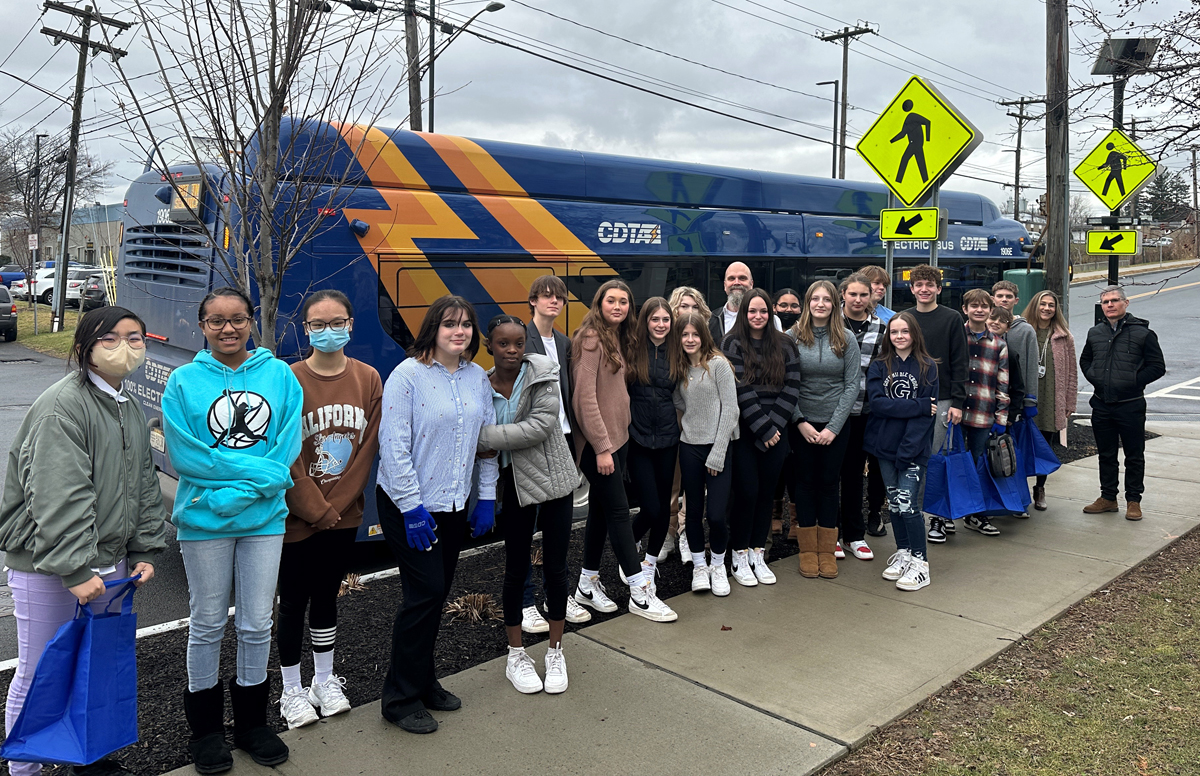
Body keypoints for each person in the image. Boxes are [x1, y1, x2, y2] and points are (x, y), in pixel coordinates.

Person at [0, 307, 167, 776]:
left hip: (108, 562)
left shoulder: (127, 405)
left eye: (135, 337)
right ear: (85, 347)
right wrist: (76, 569)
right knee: (39, 672)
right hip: (49, 566)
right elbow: (57, 494)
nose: (125, 347)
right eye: (111, 337)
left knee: (94, 666)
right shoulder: (62, 406)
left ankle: (88, 759)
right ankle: (24, 769)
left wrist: (144, 549)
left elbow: (141, 486)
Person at [162, 287, 303, 772]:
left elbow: (285, 451)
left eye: (238, 319)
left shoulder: (280, 375)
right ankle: (204, 732)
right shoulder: (182, 382)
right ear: (201, 325)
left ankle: (251, 725)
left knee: (256, 623)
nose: (228, 328)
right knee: (205, 624)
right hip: (204, 524)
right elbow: (186, 456)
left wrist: (233, 495)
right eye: (217, 320)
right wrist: (251, 481)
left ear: (251, 322)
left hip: (263, 521)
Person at [376, 295, 499, 734]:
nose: (459, 332)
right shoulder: (407, 376)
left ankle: (425, 682)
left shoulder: (476, 380)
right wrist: (411, 507)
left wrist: (486, 497)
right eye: (450, 324)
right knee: (425, 592)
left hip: (452, 505)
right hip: (408, 505)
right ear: (433, 328)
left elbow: (484, 442)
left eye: (466, 325)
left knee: (437, 593)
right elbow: (392, 445)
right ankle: (399, 698)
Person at [276, 290, 382, 729]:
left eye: (336, 322)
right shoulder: (288, 378)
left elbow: (366, 451)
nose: (327, 331)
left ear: (351, 324)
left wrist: (333, 509)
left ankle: (323, 680)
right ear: (306, 329)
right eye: (317, 325)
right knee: (292, 601)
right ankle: (290, 690)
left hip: (343, 516)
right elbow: (284, 450)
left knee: (326, 597)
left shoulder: (369, 378)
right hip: (296, 516)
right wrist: (313, 507)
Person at [477, 315, 580, 696]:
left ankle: (555, 650)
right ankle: (515, 653)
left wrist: (480, 437)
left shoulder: (543, 374)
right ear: (490, 344)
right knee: (515, 568)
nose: (512, 351)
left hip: (554, 481)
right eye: (503, 343)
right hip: (515, 486)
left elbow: (540, 426)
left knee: (555, 567)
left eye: (519, 343)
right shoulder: (480, 385)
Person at [571, 280, 677, 622]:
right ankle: (639, 593)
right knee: (618, 513)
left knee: (601, 515)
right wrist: (601, 448)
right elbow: (583, 398)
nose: (617, 307)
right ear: (599, 303)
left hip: (618, 441)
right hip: (599, 445)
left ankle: (587, 585)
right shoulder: (590, 339)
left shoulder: (615, 336)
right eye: (611, 301)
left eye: (623, 302)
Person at [522, 275, 592, 630]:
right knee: (522, 530)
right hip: (532, 445)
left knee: (559, 529)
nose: (553, 301)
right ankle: (524, 603)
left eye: (559, 297)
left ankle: (556, 595)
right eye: (546, 296)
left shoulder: (565, 343)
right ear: (532, 300)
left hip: (563, 443)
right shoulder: (522, 340)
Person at [722, 288, 801, 587]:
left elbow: (792, 386)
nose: (758, 316)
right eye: (752, 311)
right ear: (744, 314)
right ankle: (739, 553)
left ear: (771, 314)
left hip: (778, 431)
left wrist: (775, 427)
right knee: (746, 494)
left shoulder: (786, 345)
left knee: (767, 495)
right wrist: (763, 429)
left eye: (763, 311)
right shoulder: (731, 342)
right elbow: (738, 388)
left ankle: (757, 552)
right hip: (745, 432)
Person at [788, 280, 861, 579]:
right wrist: (800, 420)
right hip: (801, 423)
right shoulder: (791, 337)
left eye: (826, 299)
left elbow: (851, 384)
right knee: (804, 484)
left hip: (836, 424)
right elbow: (785, 382)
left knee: (830, 484)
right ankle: (807, 550)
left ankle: (827, 551)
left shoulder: (846, 338)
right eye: (815, 299)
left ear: (835, 304)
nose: (820, 304)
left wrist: (833, 426)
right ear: (807, 303)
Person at [864, 312, 939, 592]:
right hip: (884, 448)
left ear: (914, 334)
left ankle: (921, 563)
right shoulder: (879, 366)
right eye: (894, 332)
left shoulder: (928, 366)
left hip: (913, 450)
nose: (899, 336)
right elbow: (879, 404)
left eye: (904, 331)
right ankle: (904, 552)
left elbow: (925, 419)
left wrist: (907, 450)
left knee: (909, 505)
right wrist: (918, 405)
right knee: (894, 504)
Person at [1079, 285, 1165, 521]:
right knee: (1106, 454)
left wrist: (1133, 381)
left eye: (1115, 300)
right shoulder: (1095, 332)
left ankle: (1134, 501)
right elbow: (1085, 360)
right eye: (1105, 301)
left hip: (1130, 404)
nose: (1110, 305)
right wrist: (1095, 377)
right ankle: (1108, 498)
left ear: (1126, 304)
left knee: (1134, 455)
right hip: (1102, 404)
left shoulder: (1143, 334)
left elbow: (1158, 367)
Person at [673, 311, 740, 596]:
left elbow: (731, 409)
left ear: (704, 336)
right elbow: (678, 403)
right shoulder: (678, 369)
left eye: (695, 334)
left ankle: (717, 565)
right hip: (689, 447)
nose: (690, 339)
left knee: (715, 514)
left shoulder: (718, 365)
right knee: (693, 513)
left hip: (718, 449)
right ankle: (699, 565)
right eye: (685, 335)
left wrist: (718, 451)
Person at [626, 297, 686, 584]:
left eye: (665, 320)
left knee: (663, 506)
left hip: (668, 438)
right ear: (645, 321)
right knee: (649, 506)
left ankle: (649, 564)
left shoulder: (678, 352)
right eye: (655, 319)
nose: (661, 325)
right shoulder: (632, 349)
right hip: (637, 437)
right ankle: (628, 548)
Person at [907, 265, 968, 544]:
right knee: (912, 460)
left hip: (942, 400)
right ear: (912, 289)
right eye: (919, 284)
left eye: (929, 285)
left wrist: (957, 402)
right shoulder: (904, 318)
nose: (924, 289)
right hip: (909, 400)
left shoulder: (952, 318)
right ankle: (914, 513)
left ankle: (938, 518)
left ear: (939, 289)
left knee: (936, 460)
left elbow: (960, 362)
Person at [837, 274, 887, 560]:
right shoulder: (829, 324)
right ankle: (831, 532)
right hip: (832, 414)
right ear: (843, 294)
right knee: (830, 475)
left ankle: (854, 535)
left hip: (864, 413)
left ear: (871, 297)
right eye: (852, 294)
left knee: (855, 475)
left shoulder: (881, 328)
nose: (857, 300)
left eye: (863, 295)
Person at [666, 286, 712, 564]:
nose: (690, 311)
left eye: (695, 306)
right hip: (671, 422)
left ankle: (685, 532)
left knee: (693, 486)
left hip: (697, 426)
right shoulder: (668, 341)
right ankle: (668, 533)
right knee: (673, 482)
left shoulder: (705, 343)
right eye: (684, 306)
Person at [960, 288, 1010, 537]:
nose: (979, 310)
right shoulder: (956, 336)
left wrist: (1000, 418)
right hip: (956, 414)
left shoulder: (999, 344)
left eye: (984, 306)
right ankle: (948, 514)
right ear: (965, 309)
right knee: (955, 463)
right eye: (974, 306)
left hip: (983, 414)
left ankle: (976, 514)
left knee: (979, 464)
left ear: (991, 311)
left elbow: (1003, 384)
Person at [1022, 290, 1077, 510]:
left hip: (1051, 399)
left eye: (1051, 305)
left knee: (1044, 447)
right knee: (1021, 444)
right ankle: (1019, 490)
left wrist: (1069, 402)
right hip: (1027, 397)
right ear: (1035, 306)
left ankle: (1040, 488)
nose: (1046, 308)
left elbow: (1072, 372)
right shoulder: (1023, 330)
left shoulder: (1064, 336)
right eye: (1042, 304)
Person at [771, 288, 803, 538]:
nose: (789, 310)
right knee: (775, 470)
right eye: (783, 305)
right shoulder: (768, 335)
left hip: (796, 412)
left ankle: (795, 520)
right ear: (774, 308)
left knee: (793, 468)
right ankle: (774, 516)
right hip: (771, 413)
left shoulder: (803, 335)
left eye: (794, 306)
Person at [991, 281, 1038, 419]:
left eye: (1008, 296)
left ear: (1016, 300)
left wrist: (1030, 398)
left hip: (1015, 398)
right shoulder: (986, 327)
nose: (1004, 299)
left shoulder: (1026, 330)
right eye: (1000, 296)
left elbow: (1032, 366)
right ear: (993, 299)